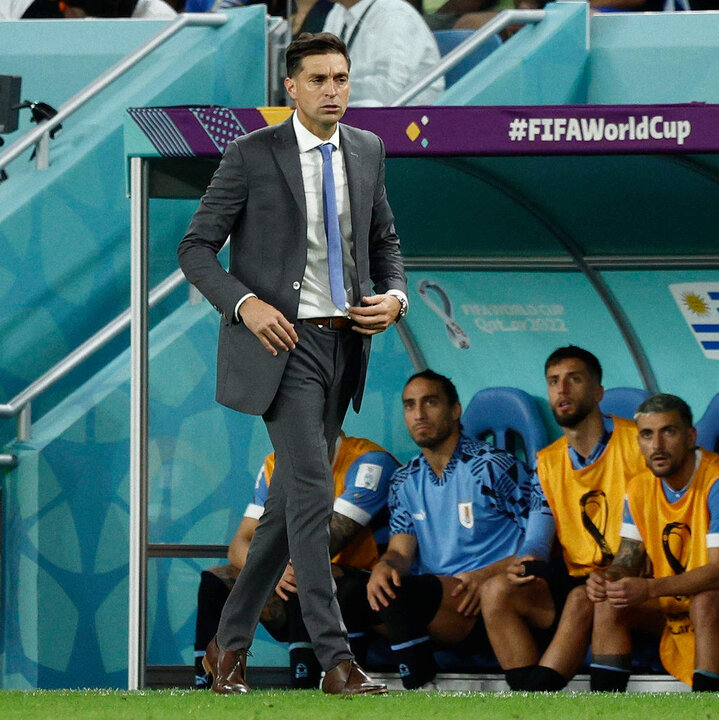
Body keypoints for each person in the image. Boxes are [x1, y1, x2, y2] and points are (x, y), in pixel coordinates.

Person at [178, 31, 408, 696]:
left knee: (284, 512)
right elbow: (195, 248)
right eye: (320, 80)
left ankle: (228, 646)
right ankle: (337, 658)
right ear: (291, 87)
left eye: (341, 78)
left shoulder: (368, 149)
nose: (333, 91)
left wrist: (394, 299)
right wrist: (244, 305)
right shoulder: (251, 153)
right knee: (312, 491)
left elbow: (385, 242)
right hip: (283, 346)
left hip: (346, 343)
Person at [479, 346, 649, 692]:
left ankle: (536, 696)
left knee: (583, 597)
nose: (562, 390)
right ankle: (526, 691)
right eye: (554, 382)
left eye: (574, 379)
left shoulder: (638, 443)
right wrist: (528, 558)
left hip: (634, 576)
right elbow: (538, 536)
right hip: (576, 574)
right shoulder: (549, 461)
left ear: (598, 392)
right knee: (497, 589)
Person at [365, 370, 539, 690]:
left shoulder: (492, 466)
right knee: (350, 592)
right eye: (409, 405)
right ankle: (337, 689)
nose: (418, 414)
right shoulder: (405, 480)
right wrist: (385, 565)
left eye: (430, 402)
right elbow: (400, 550)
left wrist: (487, 575)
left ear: (455, 410)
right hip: (437, 603)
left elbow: (541, 542)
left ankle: (420, 690)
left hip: (487, 600)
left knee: (400, 596)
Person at [586, 394, 719, 692]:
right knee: (607, 601)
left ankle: (708, 707)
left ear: (690, 436)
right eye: (646, 434)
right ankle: (604, 709)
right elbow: (628, 559)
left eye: (668, 432)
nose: (656, 446)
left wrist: (650, 588)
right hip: (676, 599)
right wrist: (608, 578)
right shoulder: (640, 486)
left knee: (705, 601)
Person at [194, 435, 399, 689]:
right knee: (217, 580)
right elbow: (238, 545)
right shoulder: (274, 464)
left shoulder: (369, 462)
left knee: (305, 571)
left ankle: (308, 684)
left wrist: (277, 568)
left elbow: (325, 542)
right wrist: (275, 571)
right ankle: (210, 680)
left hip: (362, 588)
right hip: (299, 581)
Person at [322, 0, 444, 107]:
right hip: (354, 107)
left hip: (408, 115)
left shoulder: (396, 14)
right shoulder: (337, 13)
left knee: (368, 106)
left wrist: (329, 88)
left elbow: (389, 90)